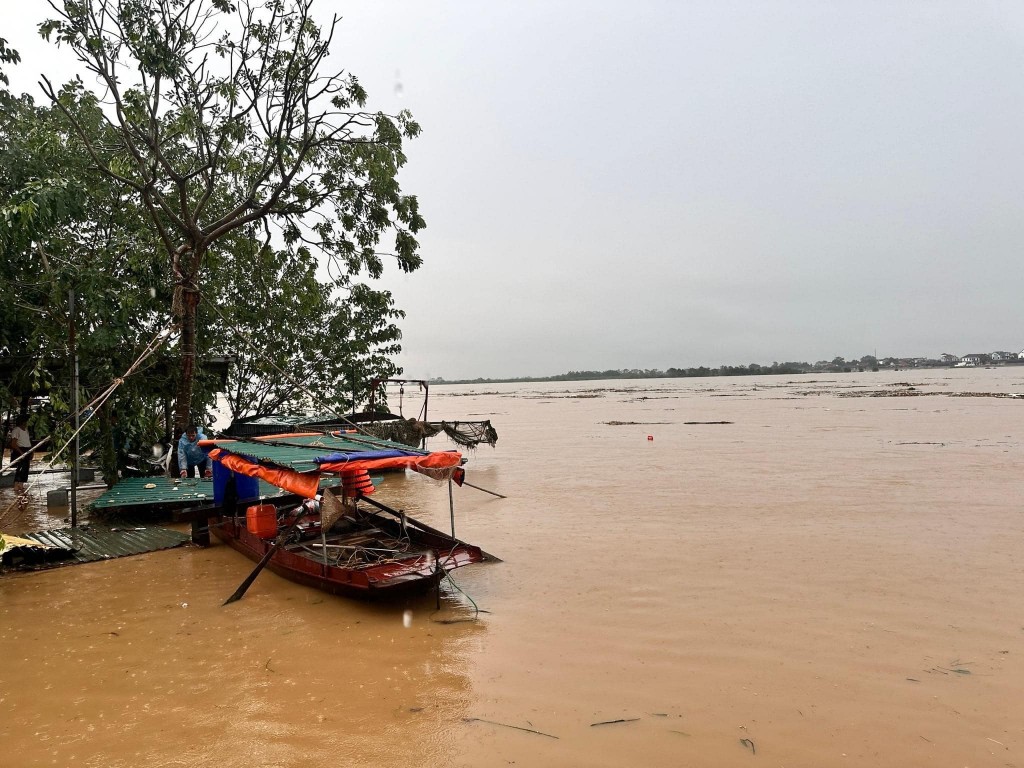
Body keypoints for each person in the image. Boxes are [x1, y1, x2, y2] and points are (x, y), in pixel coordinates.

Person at [8, 414, 32, 493]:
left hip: (27, 450)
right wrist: (21, 453)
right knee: (21, 468)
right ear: (23, 421)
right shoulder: (16, 430)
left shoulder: (26, 429)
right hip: (20, 450)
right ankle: (16, 486)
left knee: (25, 469)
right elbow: (13, 444)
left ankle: (21, 486)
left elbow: (27, 441)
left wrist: (31, 452)